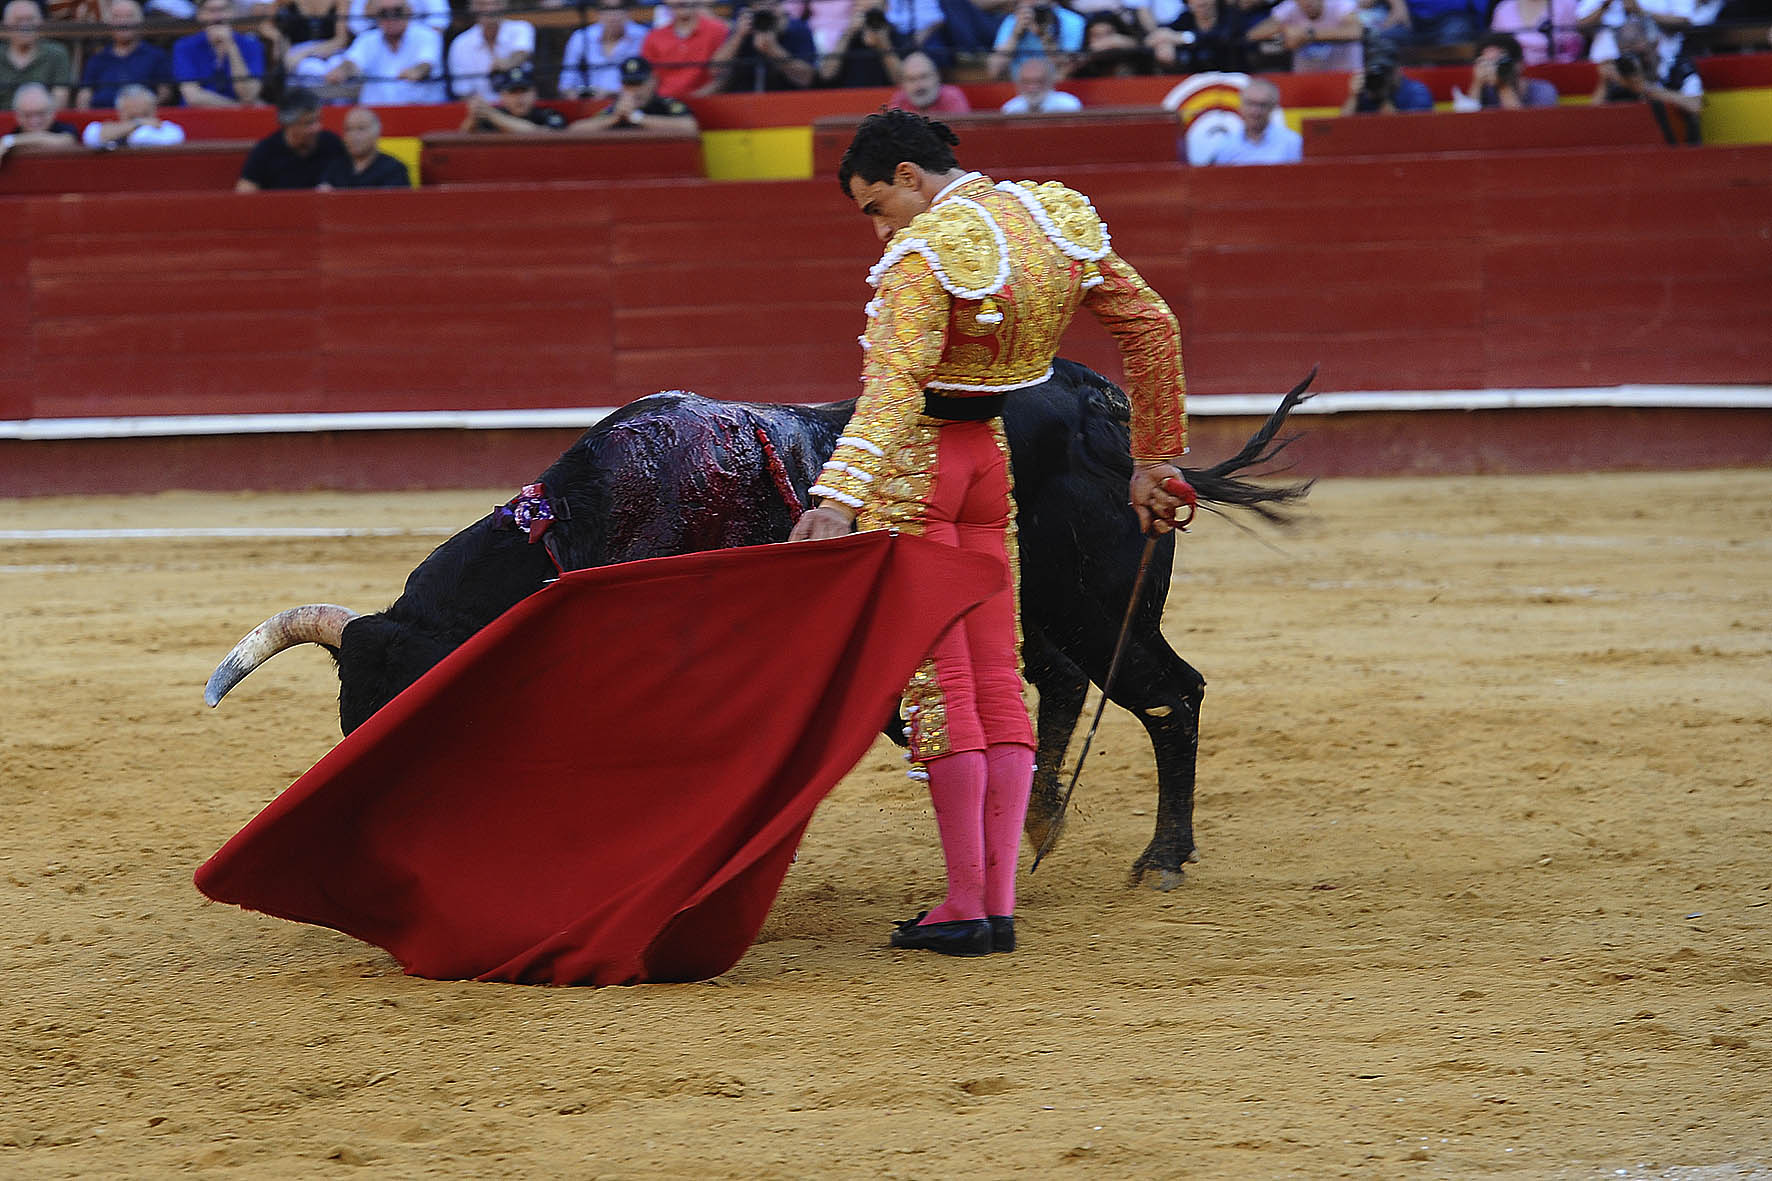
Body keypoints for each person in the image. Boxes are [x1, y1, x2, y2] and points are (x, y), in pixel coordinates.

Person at [788, 110, 1192, 957]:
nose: (878, 228)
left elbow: (895, 388)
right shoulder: (1053, 221)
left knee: (945, 689)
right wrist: (1153, 458)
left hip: (920, 474)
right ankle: (995, 903)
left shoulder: (925, 250)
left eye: (875, 206)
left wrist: (838, 497)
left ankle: (965, 904)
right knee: (999, 676)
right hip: (988, 463)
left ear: (908, 176)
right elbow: (1152, 324)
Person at [1592, 12, 1701, 142]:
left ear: (1654, 41)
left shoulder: (1679, 67)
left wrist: (1643, 88)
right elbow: (1592, 119)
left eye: (1634, 41)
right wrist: (1604, 83)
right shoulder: (1620, 75)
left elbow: (1695, 105)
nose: (1629, 49)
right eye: (1623, 44)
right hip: (1631, 145)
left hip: (1678, 145)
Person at [326, 0, 445, 105]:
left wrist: (416, 71)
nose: (391, 17)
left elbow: (426, 64)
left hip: (420, 112)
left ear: (409, 11)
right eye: (383, 13)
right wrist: (341, 71)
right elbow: (352, 63)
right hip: (376, 114)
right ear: (376, 15)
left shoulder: (427, 36)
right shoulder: (367, 39)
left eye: (397, 11)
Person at [236, 86, 345, 190]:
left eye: (318, 120)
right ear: (288, 125)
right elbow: (245, 194)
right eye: (308, 123)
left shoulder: (333, 144)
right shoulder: (265, 152)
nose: (317, 128)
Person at [75, 0, 172, 109]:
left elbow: (165, 93)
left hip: (142, 115)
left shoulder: (156, 56)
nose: (123, 22)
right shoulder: (97, 59)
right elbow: (85, 94)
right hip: (103, 115)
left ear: (139, 21)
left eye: (129, 16)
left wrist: (143, 109)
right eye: (117, 17)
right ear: (109, 23)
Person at [566, 54, 698, 134]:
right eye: (629, 84)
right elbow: (574, 131)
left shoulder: (666, 105)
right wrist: (613, 120)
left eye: (639, 83)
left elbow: (690, 127)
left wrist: (637, 118)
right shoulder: (617, 110)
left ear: (653, 81)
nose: (635, 90)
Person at [173, 0, 265, 107]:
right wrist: (237, 107)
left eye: (223, 9)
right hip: (198, 114)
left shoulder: (252, 45)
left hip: (241, 115)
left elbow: (248, 95)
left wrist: (231, 46)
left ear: (233, 13)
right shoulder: (185, 46)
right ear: (200, 15)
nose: (217, 17)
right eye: (211, 11)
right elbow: (192, 96)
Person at [711, 0, 817, 91]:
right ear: (751, 9)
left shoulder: (797, 29)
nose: (767, 10)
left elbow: (807, 79)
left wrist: (773, 50)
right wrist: (738, 36)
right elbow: (715, 70)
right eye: (761, 5)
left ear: (781, 8)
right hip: (743, 99)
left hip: (787, 98)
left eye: (772, 4)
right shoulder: (742, 28)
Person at [640, 0, 729, 99]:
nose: (681, 1)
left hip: (707, 102)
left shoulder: (718, 30)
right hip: (664, 102)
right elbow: (651, 78)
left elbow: (724, 75)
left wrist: (696, 98)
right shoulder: (654, 37)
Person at [447, 0, 534, 101]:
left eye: (495, 3)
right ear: (472, 8)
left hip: (519, 105)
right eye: (482, 4)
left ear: (504, 5)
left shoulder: (521, 28)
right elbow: (463, 92)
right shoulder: (460, 44)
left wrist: (505, 64)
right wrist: (485, 109)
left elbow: (522, 53)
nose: (489, 9)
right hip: (482, 107)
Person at [560, 0, 649, 99]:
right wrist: (578, 96)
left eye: (618, 8)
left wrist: (614, 95)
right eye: (607, 9)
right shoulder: (581, 37)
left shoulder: (644, 36)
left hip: (630, 101)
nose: (613, 15)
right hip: (590, 101)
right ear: (598, 13)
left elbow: (650, 81)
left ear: (629, 12)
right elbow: (566, 84)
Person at [1243, 0, 1364, 72]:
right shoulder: (1290, 7)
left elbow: (1355, 31)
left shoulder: (1340, 4)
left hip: (1345, 74)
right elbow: (1253, 34)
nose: (1307, 2)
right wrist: (1285, 35)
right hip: (1307, 78)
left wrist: (1308, 34)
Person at [1205, 76, 1301, 163]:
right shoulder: (1226, 144)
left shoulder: (1292, 142)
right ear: (1241, 106)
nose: (1255, 111)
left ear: (1273, 108)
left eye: (1262, 105)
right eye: (1250, 104)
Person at [818, 0, 910, 88]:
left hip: (887, 97)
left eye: (873, 10)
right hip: (851, 96)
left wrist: (883, 43)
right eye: (863, 11)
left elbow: (903, 81)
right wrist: (847, 35)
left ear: (887, 7)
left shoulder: (899, 37)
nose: (869, 17)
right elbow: (826, 75)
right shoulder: (848, 37)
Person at [988, 0, 1084, 79]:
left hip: (1055, 85)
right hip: (1018, 85)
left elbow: (1067, 68)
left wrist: (1043, 35)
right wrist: (1015, 35)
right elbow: (994, 71)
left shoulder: (1072, 21)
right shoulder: (1013, 21)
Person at [1, 0, 71, 109]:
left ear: (41, 22)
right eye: (18, 20)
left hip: (41, 118)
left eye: (30, 20)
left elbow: (60, 98)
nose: (25, 26)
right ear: (6, 24)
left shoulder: (56, 53)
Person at [318, 104, 410, 186]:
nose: (353, 135)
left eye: (361, 128)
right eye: (348, 129)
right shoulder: (334, 168)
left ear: (377, 132)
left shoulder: (394, 169)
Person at [1460, 32, 1558, 108]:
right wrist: (1477, 83)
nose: (1493, 68)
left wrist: (1503, 85)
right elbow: (1466, 123)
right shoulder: (1484, 92)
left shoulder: (1543, 90)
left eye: (1500, 62)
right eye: (1487, 63)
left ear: (1519, 64)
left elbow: (1523, 124)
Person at [461, 62, 566, 132]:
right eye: (513, 92)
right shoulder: (492, 115)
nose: (519, 97)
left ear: (534, 93)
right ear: (502, 96)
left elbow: (545, 135)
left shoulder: (548, 114)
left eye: (524, 91)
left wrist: (493, 116)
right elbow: (463, 140)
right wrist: (473, 118)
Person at [1340, 38, 1432, 112]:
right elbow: (1342, 126)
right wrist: (1353, 97)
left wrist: (1382, 99)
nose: (1380, 75)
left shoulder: (1417, 93)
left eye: (1385, 70)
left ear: (1398, 69)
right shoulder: (1365, 90)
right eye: (1374, 70)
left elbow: (1407, 128)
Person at [81, 82, 185, 147]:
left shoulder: (170, 129)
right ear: (120, 113)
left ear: (154, 111)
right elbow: (90, 136)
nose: (140, 119)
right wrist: (138, 123)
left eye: (144, 115)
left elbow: (140, 138)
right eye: (133, 117)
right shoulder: (100, 129)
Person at [0, 78, 74, 161]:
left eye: (41, 113)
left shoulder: (64, 128)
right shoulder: (13, 133)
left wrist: (11, 141)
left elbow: (66, 141)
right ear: (17, 116)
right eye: (27, 115)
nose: (35, 120)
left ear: (52, 112)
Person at [1487, 0, 1582, 63]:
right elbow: (1495, 49)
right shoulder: (1503, 9)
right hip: (1513, 79)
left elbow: (1574, 48)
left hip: (1558, 74)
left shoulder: (1566, 4)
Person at [886, 48, 969, 113]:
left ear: (937, 77)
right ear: (903, 83)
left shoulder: (951, 97)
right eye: (911, 79)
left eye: (924, 77)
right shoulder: (899, 100)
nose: (918, 85)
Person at [999, 53, 1080, 112]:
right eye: (1026, 82)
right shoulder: (1011, 109)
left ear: (1049, 82)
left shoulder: (1068, 106)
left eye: (1038, 82)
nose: (1032, 88)